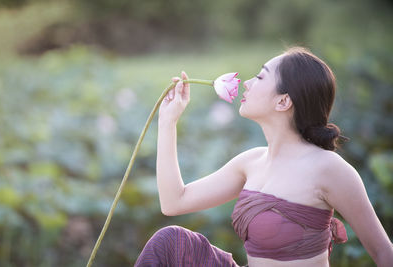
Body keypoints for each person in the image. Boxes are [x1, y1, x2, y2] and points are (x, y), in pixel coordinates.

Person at [135, 47, 393, 266]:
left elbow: (383, 252)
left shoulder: (329, 169)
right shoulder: (251, 162)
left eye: (259, 77)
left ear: (283, 102)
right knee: (169, 241)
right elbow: (173, 202)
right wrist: (168, 123)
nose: (246, 83)